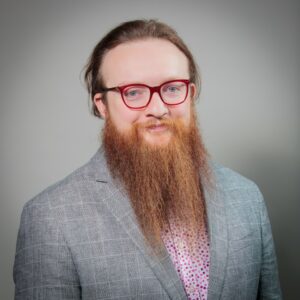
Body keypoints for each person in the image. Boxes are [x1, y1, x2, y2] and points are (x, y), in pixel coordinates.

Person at [13, 19, 282, 300]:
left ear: (189, 94)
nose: (158, 108)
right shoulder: (51, 218)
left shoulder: (246, 197)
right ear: (102, 105)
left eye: (173, 88)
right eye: (133, 92)